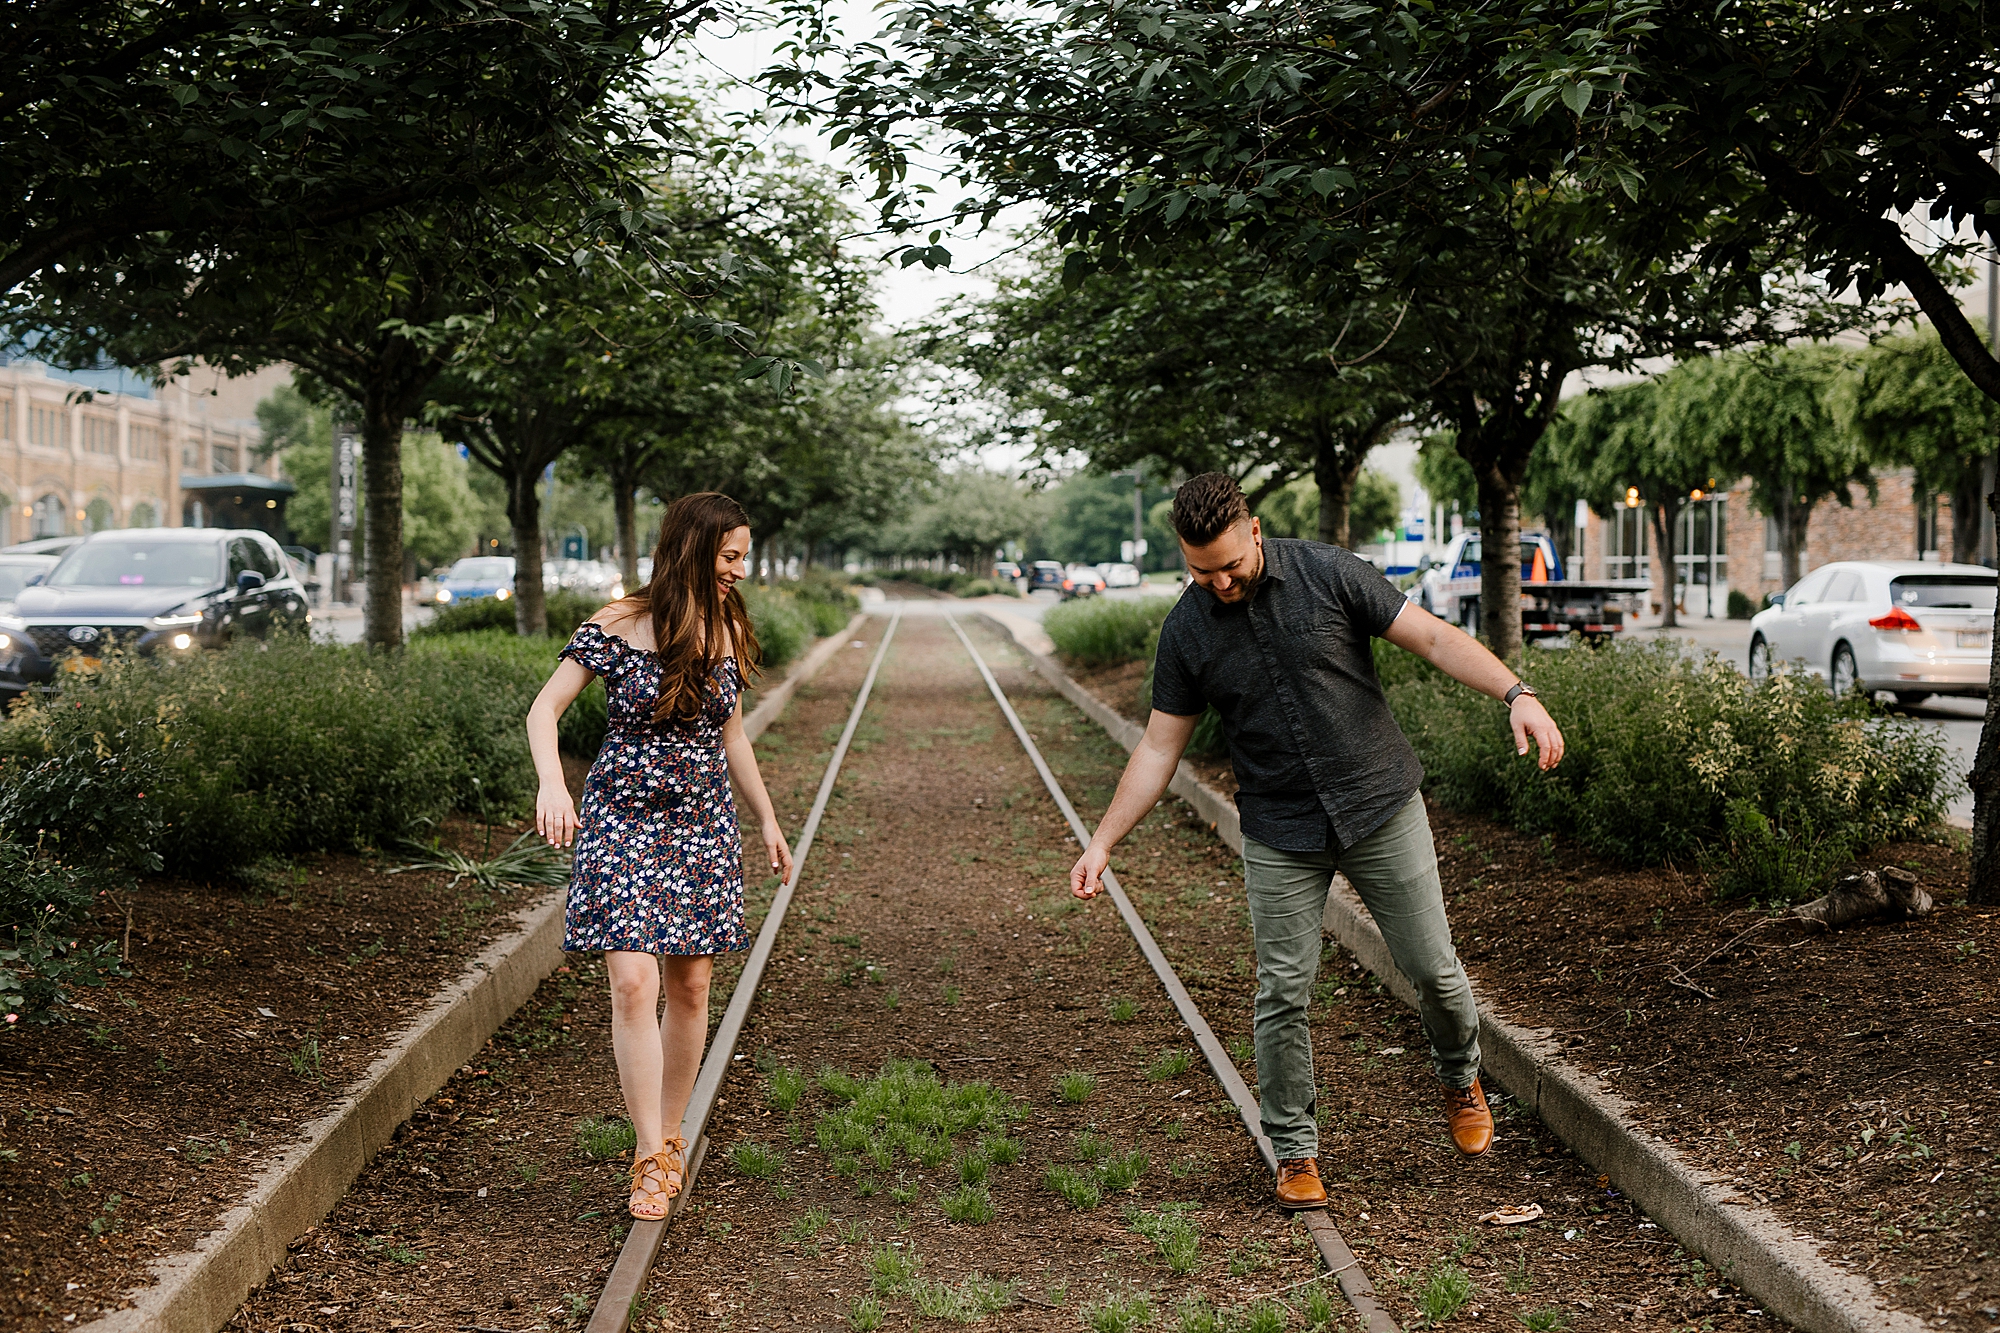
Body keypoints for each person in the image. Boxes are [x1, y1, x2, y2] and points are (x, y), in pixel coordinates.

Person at [1067, 473, 1565, 1210]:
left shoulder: (1330, 574)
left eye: (1231, 564)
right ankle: (1294, 1150)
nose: (1221, 581)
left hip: (1380, 804)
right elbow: (1157, 748)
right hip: (1280, 828)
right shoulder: (1187, 630)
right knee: (1282, 991)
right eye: (1202, 571)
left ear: (1256, 530)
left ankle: (1460, 1075)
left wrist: (1517, 695)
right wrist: (1103, 840)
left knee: (1434, 969)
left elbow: (1430, 635)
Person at [527, 492, 794, 1221]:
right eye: (730, 555)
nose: (741, 569)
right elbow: (543, 709)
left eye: (745, 556)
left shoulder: (728, 629)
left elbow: (733, 736)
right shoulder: (616, 623)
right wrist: (554, 783)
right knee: (632, 982)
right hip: (619, 816)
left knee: (690, 984)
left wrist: (766, 817)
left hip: (700, 821)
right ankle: (649, 1153)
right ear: (691, 548)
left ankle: (671, 1133)